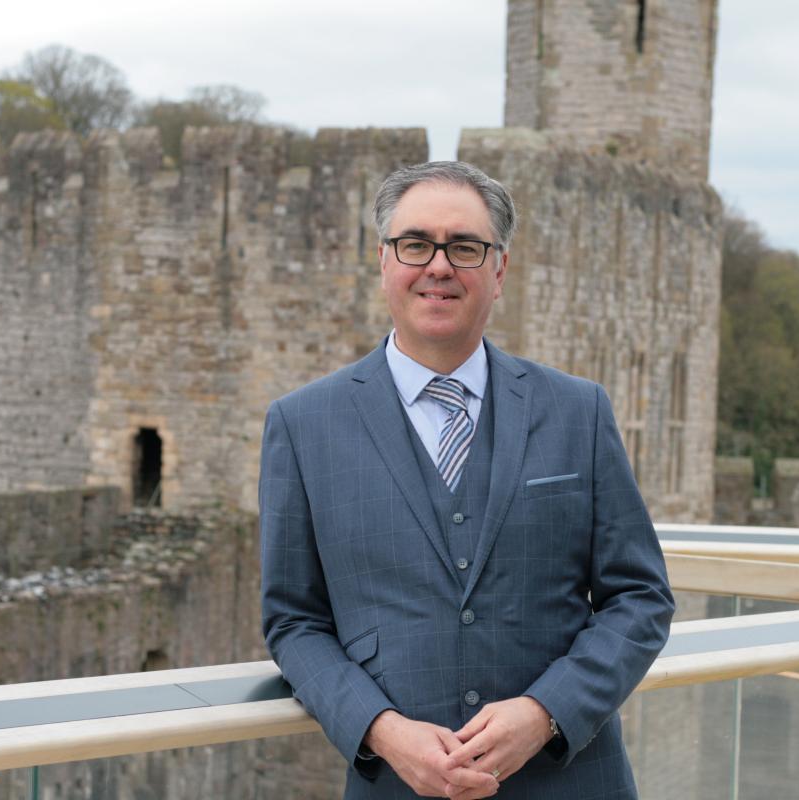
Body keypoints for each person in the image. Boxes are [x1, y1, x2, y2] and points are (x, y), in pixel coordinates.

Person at [260, 161, 674, 799]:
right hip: (397, 788)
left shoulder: (577, 411)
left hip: (570, 783)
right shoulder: (303, 424)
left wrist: (544, 714)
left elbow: (640, 598)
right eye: (416, 244)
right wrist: (382, 729)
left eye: (465, 247)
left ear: (499, 270)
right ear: (384, 261)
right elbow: (294, 620)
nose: (439, 265)